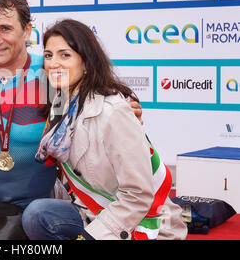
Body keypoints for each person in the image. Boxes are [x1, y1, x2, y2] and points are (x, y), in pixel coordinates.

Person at [0, 0, 145, 211]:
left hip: (34, 211)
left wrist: (122, 112)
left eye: (5, 28)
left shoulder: (53, 72)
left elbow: (96, 106)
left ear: (26, 31)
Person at [21, 19, 187, 240]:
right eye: (49, 55)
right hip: (91, 212)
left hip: (144, 220)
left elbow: (138, 195)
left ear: (87, 62)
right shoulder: (60, 106)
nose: (53, 63)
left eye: (65, 55)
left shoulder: (114, 111)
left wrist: (91, 237)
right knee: (37, 214)